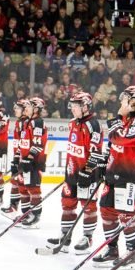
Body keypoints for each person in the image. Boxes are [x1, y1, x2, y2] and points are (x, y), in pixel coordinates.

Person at [93, 86, 135, 270]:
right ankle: (112, 250)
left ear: (134, 101)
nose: (121, 101)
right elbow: (112, 144)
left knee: (126, 215)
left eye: (125, 98)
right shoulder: (125, 120)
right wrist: (104, 163)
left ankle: (132, 254)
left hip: (129, 175)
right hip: (113, 173)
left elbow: (119, 138)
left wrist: (117, 118)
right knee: (106, 210)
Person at [48, 92, 107, 252]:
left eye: (76, 106)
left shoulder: (93, 125)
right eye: (72, 105)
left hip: (88, 174)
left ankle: (87, 238)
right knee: (67, 204)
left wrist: (87, 171)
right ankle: (65, 237)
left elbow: (96, 152)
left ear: (86, 107)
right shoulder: (72, 123)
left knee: (88, 206)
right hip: (71, 173)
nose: (72, 109)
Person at [16, 97, 49, 227]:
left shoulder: (38, 122)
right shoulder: (27, 122)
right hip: (25, 160)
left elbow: (38, 144)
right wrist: (18, 158)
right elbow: (23, 142)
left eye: (29, 106)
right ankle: (26, 213)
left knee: (33, 188)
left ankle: (35, 215)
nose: (26, 108)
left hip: (34, 162)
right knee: (23, 187)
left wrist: (29, 158)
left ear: (36, 109)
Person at [2, 100, 28, 217]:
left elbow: (24, 143)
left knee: (23, 184)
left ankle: (26, 211)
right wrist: (16, 158)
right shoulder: (19, 122)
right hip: (18, 156)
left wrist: (18, 158)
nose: (15, 110)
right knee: (15, 181)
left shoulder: (26, 123)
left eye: (17, 108)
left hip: (24, 158)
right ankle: (13, 206)